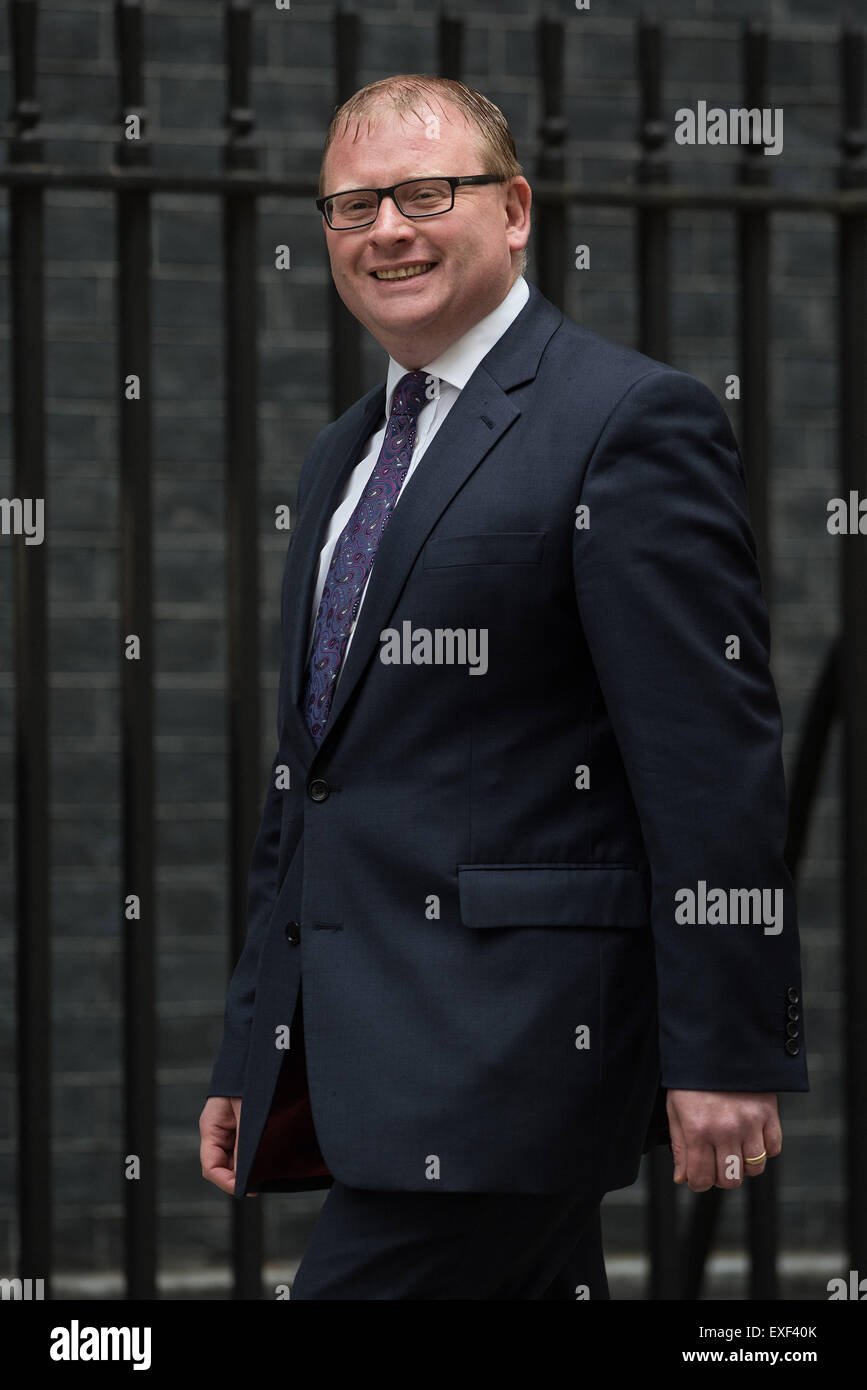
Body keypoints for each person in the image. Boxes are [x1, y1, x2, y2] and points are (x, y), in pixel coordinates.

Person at [199, 74, 808, 1300]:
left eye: (426, 193)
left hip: (518, 1056)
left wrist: (727, 1047)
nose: (386, 230)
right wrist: (255, 1042)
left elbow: (709, 761)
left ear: (517, 209)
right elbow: (311, 785)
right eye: (352, 205)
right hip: (385, 1058)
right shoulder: (343, 458)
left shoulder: (626, 422)